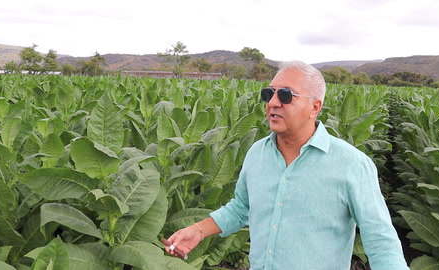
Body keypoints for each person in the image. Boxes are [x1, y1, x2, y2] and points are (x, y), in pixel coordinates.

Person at [165, 61, 409, 269]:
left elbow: (380, 239)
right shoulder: (257, 153)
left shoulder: (352, 164)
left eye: (285, 95)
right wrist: (198, 230)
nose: (273, 102)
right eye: (268, 93)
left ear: (315, 107)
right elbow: (242, 207)